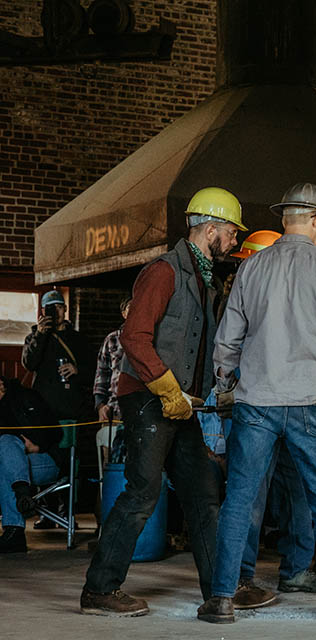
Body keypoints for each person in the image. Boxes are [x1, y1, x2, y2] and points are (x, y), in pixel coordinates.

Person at [81, 186, 246, 617]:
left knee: (203, 495)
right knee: (142, 493)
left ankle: (220, 590)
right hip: (149, 401)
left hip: (183, 404)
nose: (234, 241)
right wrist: (166, 387)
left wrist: (211, 389)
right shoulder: (164, 271)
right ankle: (99, 590)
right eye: (230, 232)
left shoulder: (205, 280)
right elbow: (133, 337)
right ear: (209, 228)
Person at [202, 182, 316, 624]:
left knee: (239, 499)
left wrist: (226, 383)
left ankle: (221, 599)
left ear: (284, 218)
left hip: (257, 402)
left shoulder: (252, 269)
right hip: (312, 401)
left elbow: (227, 340)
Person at [0, 377, 66, 553]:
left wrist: (38, 445)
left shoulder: (27, 397)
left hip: (43, 459)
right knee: (5, 454)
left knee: (6, 443)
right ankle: (22, 494)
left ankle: (14, 530)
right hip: (12, 467)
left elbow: (55, 432)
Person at [22, 290, 94, 422]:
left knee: (71, 442)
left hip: (71, 406)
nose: (56, 312)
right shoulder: (34, 338)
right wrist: (40, 335)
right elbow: (29, 364)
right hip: (43, 406)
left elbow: (94, 373)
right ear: (43, 311)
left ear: (65, 309)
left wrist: (77, 370)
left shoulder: (79, 339)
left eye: (59, 307)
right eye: (51, 308)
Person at [93, 297, 131, 423]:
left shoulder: (151, 338)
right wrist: (100, 405)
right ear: (124, 313)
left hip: (141, 408)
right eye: (131, 308)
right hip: (114, 408)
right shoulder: (112, 339)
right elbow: (102, 373)